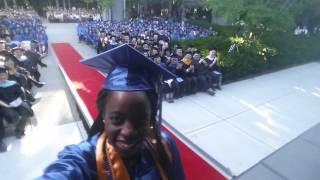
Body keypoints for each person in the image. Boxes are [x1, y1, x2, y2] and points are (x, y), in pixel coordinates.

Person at [38, 44, 185, 180]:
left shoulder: (164, 145)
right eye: (117, 119)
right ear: (103, 116)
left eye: (140, 120)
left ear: (151, 117)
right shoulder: (87, 158)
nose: (128, 132)